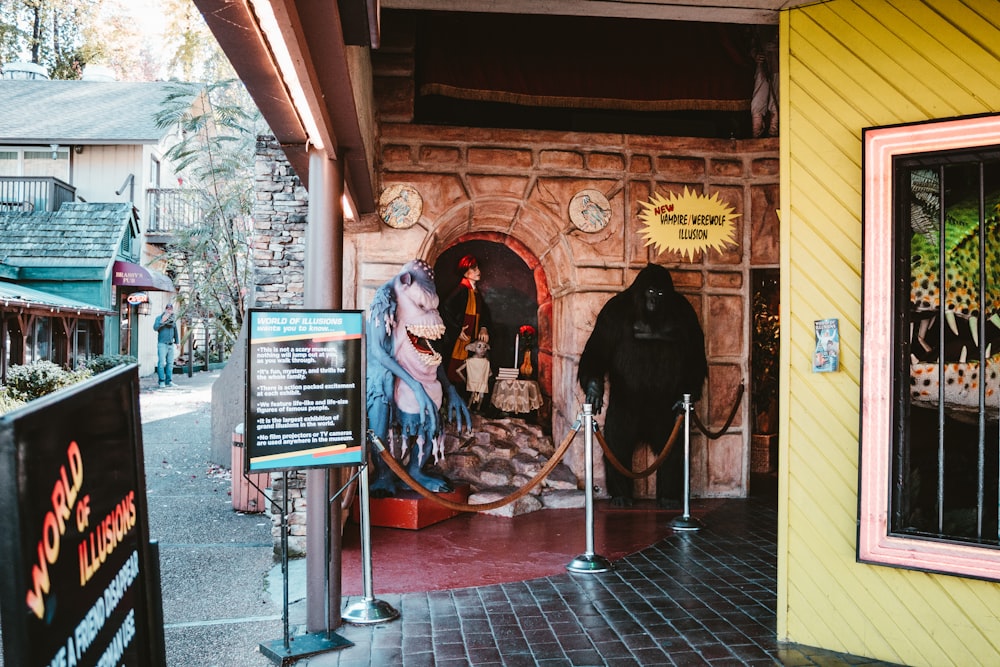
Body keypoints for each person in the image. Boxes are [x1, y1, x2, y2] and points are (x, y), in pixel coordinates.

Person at [442, 254, 491, 389]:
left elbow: (484, 313)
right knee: (456, 369)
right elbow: (445, 309)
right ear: (465, 272)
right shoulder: (461, 290)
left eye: (477, 268)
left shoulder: (475, 292)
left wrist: (484, 328)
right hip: (460, 339)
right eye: (474, 269)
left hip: (473, 337)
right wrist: (457, 330)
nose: (478, 272)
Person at [154, 303, 179, 387]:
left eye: (170, 309)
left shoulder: (173, 320)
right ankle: (161, 381)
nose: (169, 310)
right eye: (168, 309)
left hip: (170, 344)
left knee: (170, 363)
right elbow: (155, 328)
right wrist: (162, 321)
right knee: (161, 363)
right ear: (165, 309)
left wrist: (177, 342)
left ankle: (169, 381)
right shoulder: (159, 318)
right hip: (162, 344)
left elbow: (175, 332)